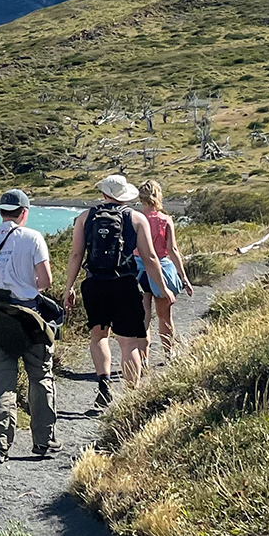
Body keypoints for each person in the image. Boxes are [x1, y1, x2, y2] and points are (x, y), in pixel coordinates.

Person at [0, 188, 58, 462]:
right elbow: (45, 281)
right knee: (40, 376)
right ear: (24, 212)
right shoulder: (33, 238)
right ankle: (44, 441)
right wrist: (26, 285)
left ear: (1, 212)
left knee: (1, 379)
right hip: (29, 316)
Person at [62, 174, 170, 408]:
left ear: (103, 194)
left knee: (99, 336)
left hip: (94, 284)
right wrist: (163, 287)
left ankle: (104, 383)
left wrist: (69, 287)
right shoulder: (136, 218)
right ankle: (132, 397)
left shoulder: (85, 217)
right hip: (124, 284)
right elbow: (150, 258)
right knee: (128, 343)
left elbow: (76, 255)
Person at [137, 180, 192, 367]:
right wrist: (183, 277)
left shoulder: (135, 218)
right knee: (164, 316)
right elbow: (173, 250)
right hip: (161, 268)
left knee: (143, 316)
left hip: (139, 270)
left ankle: (143, 359)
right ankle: (169, 354)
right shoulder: (165, 220)